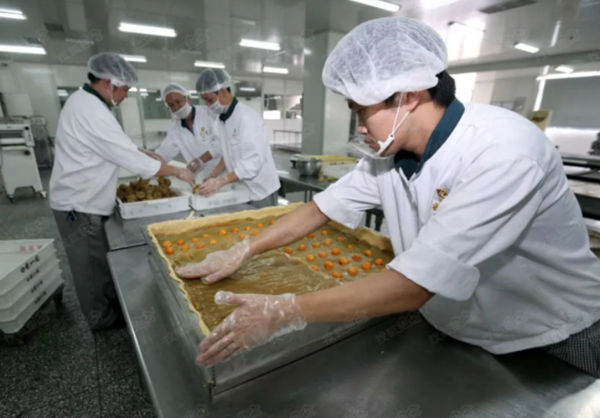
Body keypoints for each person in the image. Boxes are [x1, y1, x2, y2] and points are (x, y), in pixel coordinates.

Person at [176, 17, 600, 376]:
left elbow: (414, 286)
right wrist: (243, 249)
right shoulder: (389, 156)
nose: (359, 126)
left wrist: (286, 309)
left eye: (362, 110)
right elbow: (319, 209)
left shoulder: (503, 153)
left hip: (550, 335)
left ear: (408, 95)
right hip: (460, 325)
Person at [50, 52, 195, 331]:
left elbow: (116, 145)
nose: (126, 95)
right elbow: (129, 158)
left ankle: (109, 306)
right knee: (89, 267)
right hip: (78, 204)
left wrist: (144, 151)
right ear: (109, 83)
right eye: (125, 89)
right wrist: (177, 171)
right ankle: (101, 320)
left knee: (97, 261)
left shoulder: (87, 103)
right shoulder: (91, 111)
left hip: (85, 199)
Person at [193, 68, 280, 208]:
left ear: (223, 92)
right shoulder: (222, 120)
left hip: (261, 191)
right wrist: (213, 174)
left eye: (209, 100)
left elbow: (253, 162)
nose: (208, 106)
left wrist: (222, 181)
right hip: (243, 190)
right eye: (205, 101)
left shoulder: (247, 118)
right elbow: (228, 153)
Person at [141, 83, 221, 177]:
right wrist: (150, 161)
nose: (176, 107)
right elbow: (165, 152)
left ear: (188, 98)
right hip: (201, 177)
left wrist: (201, 159)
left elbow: (221, 142)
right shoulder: (175, 129)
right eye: (171, 105)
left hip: (223, 172)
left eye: (178, 102)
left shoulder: (209, 115)